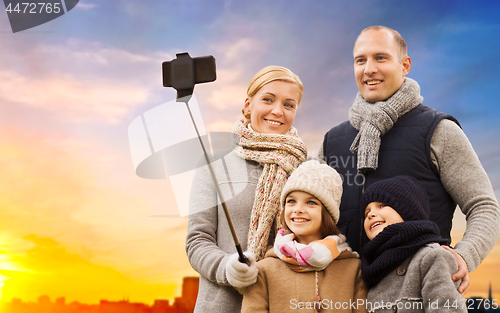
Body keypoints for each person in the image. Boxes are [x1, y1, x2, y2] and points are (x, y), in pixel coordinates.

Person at [320, 25, 500, 294]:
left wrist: (463, 256)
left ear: (405, 65)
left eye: (381, 58)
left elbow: (484, 206)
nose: (369, 69)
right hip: (344, 299)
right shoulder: (333, 140)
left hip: (419, 297)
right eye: (361, 60)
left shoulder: (438, 130)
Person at [186, 65, 308, 313]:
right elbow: (197, 241)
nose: (277, 111)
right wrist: (227, 267)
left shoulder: (307, 171)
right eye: (268, 99)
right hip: (223, 305)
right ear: (247, 105)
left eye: (288, 104)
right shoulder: (214, 165)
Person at [242, 160, 367, 313]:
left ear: (328, 212)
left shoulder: (354, 270)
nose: (298, 209)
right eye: (291, 201)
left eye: (311, 202)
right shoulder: (264, 271)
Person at [361, 175, 466, 313]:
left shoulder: (432, 256)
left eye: (382, 205)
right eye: (367, 211)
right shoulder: (373, 269)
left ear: (408, 210)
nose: (371, 214)